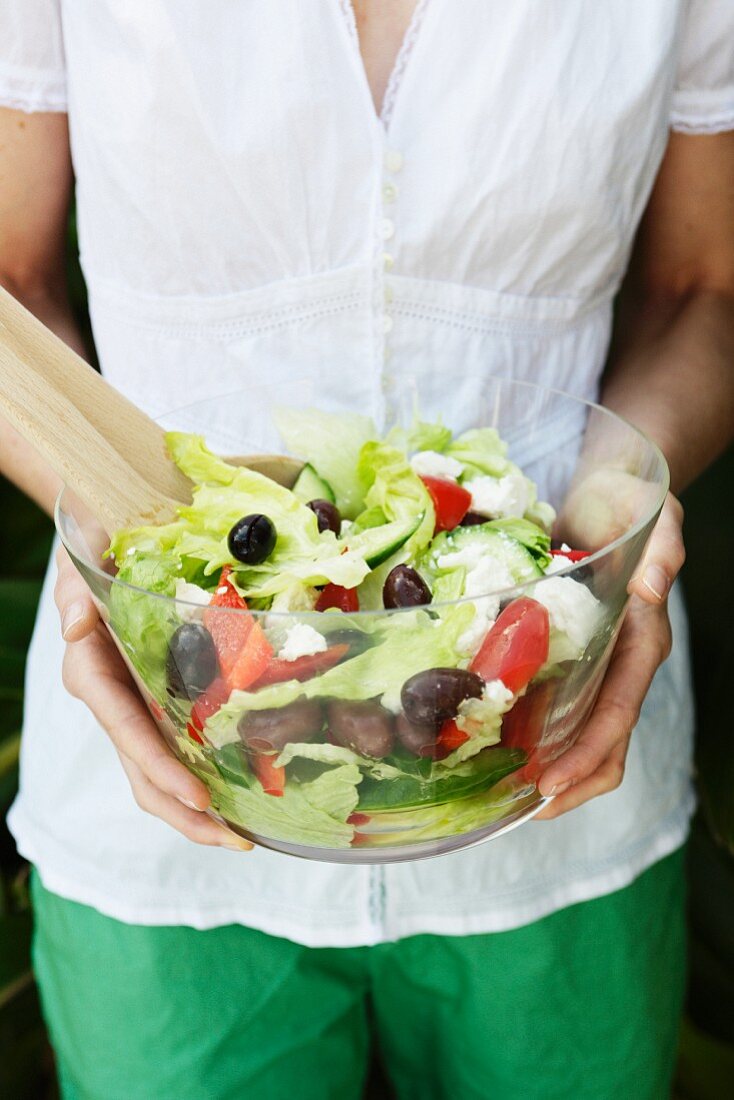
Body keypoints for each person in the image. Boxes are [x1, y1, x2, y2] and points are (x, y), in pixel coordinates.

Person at [1, 2, 733, 1097]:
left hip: (555, 763)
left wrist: (620, 500)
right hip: (168, 791)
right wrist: (115, 534)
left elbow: (700, 290)